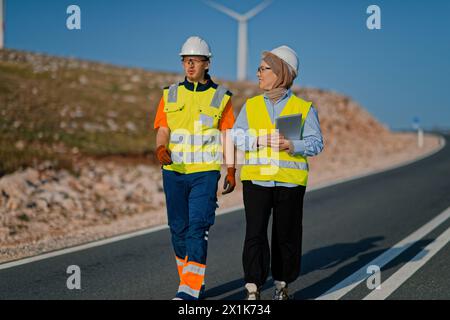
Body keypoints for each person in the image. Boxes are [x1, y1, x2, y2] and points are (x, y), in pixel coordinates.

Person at [232, 45, 324, 300]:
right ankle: (253, 287)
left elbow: (317, 143)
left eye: (264, 68)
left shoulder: (303, 108)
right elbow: (237, 136)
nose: (258, 73)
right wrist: (258, 139)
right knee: (255, 235)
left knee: (286, 236)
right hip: (257, 180)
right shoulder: (251, 106)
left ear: (281, 72)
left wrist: (292, 145)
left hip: (290, 183)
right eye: (259, 68)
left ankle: (282, 284)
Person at [153, 36, 236, 300]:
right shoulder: (170, 93)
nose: (189, 66)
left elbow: (227, 136)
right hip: (174, 172)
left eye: (195, 61)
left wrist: (232, 170)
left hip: (205, 172)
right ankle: (192, 280)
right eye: (185, 60)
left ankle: (188, 292)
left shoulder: (221, 96)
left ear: (207, 63)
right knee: (178, 230)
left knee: (197, 227)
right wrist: (160, 148)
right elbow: (163, 129)